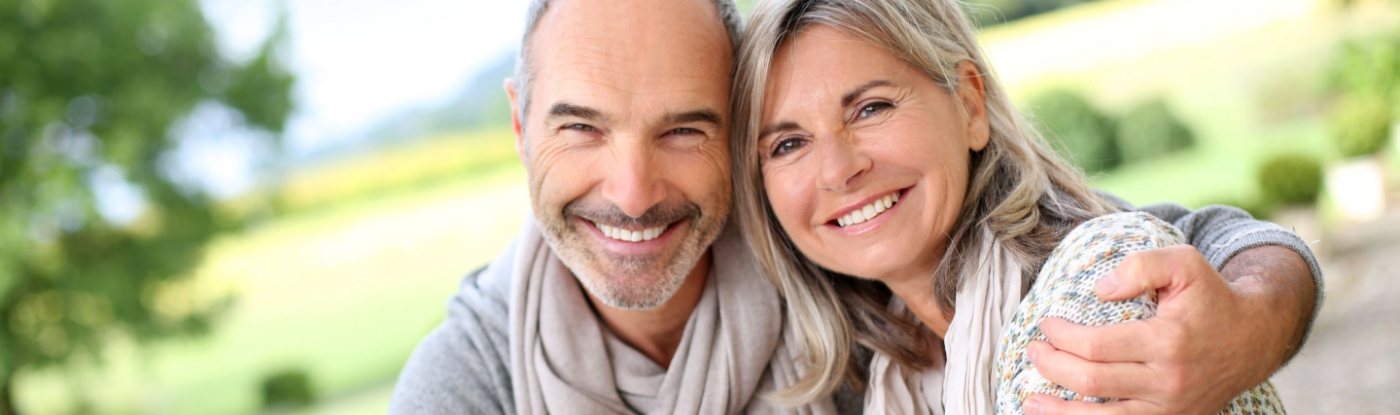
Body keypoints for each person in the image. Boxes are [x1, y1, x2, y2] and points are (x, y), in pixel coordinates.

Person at [389, 0, 1322, 413]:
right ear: (518, 123)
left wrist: (1249, 318)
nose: (632, 192)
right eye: (582, 127)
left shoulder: (847, 292)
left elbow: (1191, 241)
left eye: (684, 128)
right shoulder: (474, 377)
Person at [728, 0, 1321, 413]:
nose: (838, 169)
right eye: (788, 144)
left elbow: (1211, 237)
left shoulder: (1084, 304)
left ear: (969, 106)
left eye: (871, 108)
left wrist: (1253, 316)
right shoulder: (857, 363)